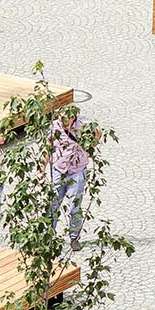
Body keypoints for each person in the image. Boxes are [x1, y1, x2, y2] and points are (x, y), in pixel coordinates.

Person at [48, 106, 97, 252]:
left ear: (73, 117)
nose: (63, 119)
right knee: (53, 205)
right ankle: (49, 237)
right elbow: (48, 147)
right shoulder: (54, 127)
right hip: (59, 170)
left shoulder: (81, 127)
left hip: (77, 171)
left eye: (66, 116)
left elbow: (93, 140)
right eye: (61, 115)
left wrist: (90, 147)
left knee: (75, 207)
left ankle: (74, 238)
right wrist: (41, 169)